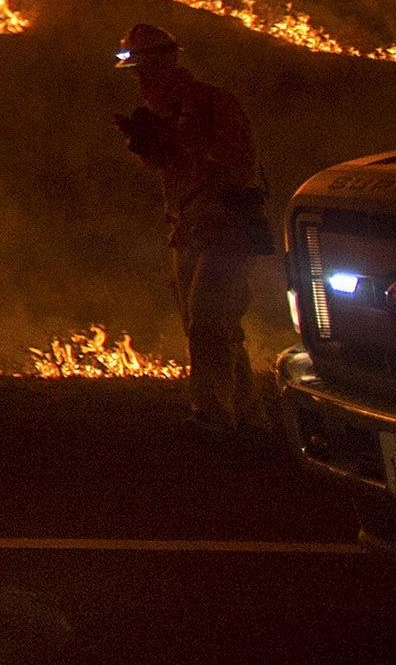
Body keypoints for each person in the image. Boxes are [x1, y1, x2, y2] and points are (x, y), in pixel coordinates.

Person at [112, 22, 282, 440]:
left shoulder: (213, 104)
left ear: (167, 65)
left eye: (146, 70)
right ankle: (249, 418)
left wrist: (180, 138)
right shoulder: (162, 114)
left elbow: (236, 163)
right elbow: (169, 168)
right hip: (188, 231)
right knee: (211, 327)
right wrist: (151, 146)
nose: (142, 80)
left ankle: (211, 417)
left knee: (209, 319)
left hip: (227, 229)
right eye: (137, 73)